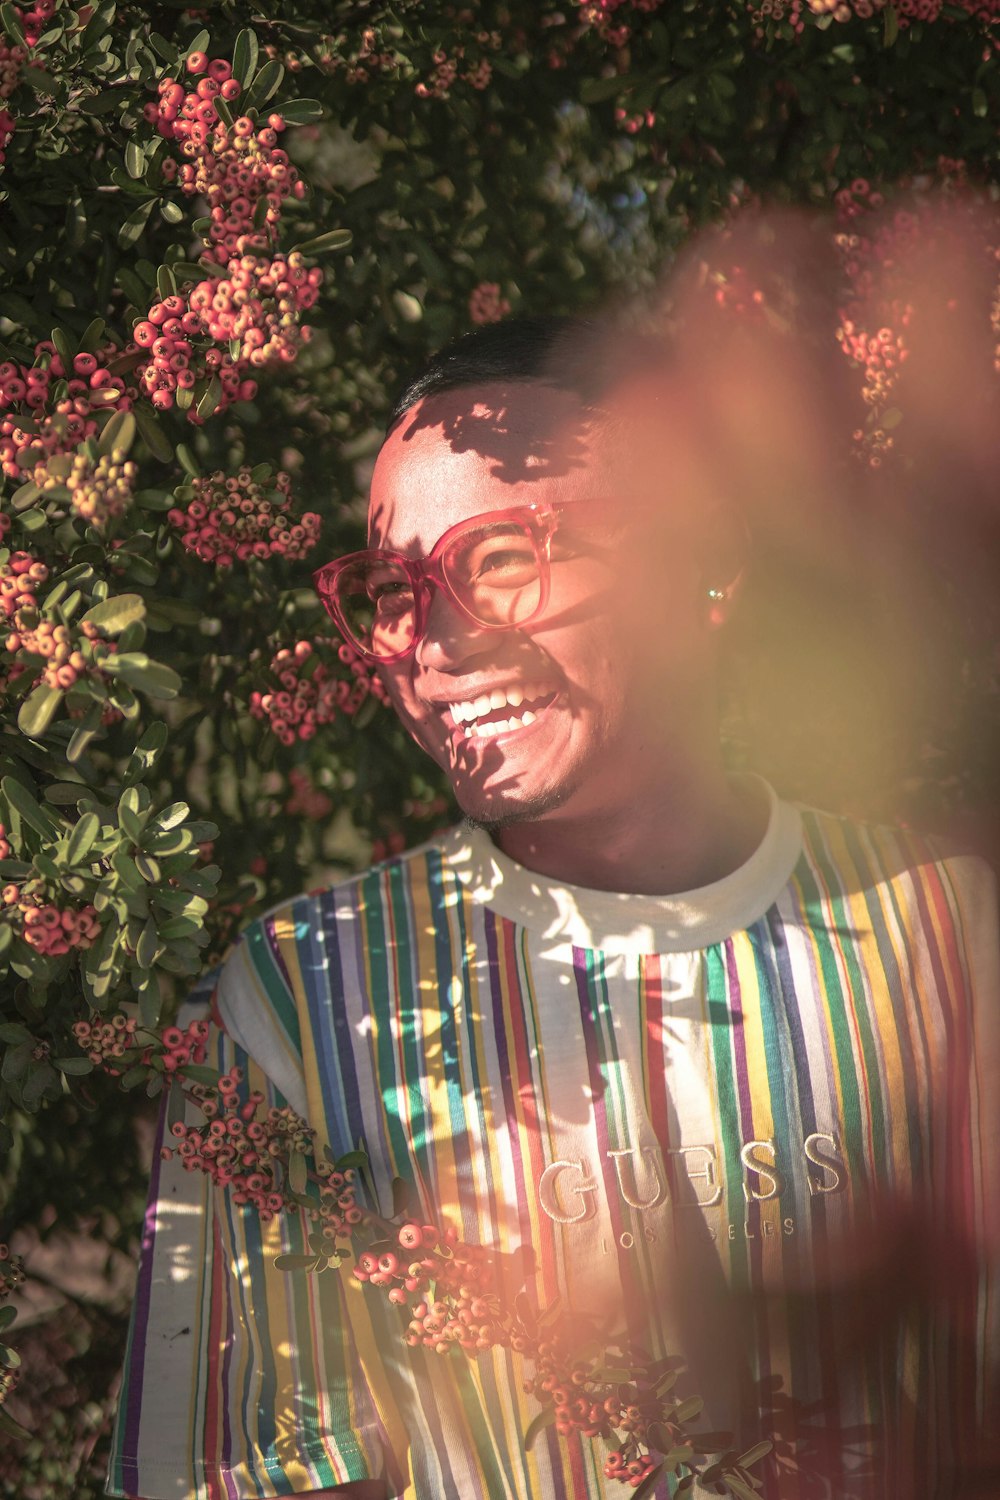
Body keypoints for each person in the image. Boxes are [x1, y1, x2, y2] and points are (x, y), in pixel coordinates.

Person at [107, 315, 1000, 1500]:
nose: (430, 644)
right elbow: (243, 1470)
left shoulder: (945, 936)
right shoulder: (297, 1007)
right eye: (391, 589)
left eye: (497, 561)